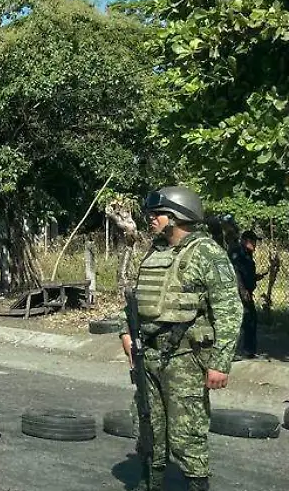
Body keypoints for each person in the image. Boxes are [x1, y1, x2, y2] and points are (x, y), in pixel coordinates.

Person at [120, 186, 242, 491]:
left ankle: (197, 485)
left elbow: (229, 310)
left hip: (185, 356)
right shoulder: (157, 251)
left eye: (159, 214)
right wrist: (125, 330)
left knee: (186, 434)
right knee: (149, 428)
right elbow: (139, 298)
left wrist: (220, 363)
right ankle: (153, 483)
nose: (152, 219)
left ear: (178, 216)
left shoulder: (206, 253)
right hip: (148, 354)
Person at [230, 230, 262, 360]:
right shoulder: (238, 253)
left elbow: (246, 274)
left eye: (255, 241)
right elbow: (236, 273)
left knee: (250, 320)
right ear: (244, 240)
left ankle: (248, 351)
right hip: (239, 293)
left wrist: (255, 277)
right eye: (252, 241)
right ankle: (240, 351)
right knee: (243, 321)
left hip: (245, 292)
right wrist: (242, 290)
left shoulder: (247, 254)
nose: (254, 244)